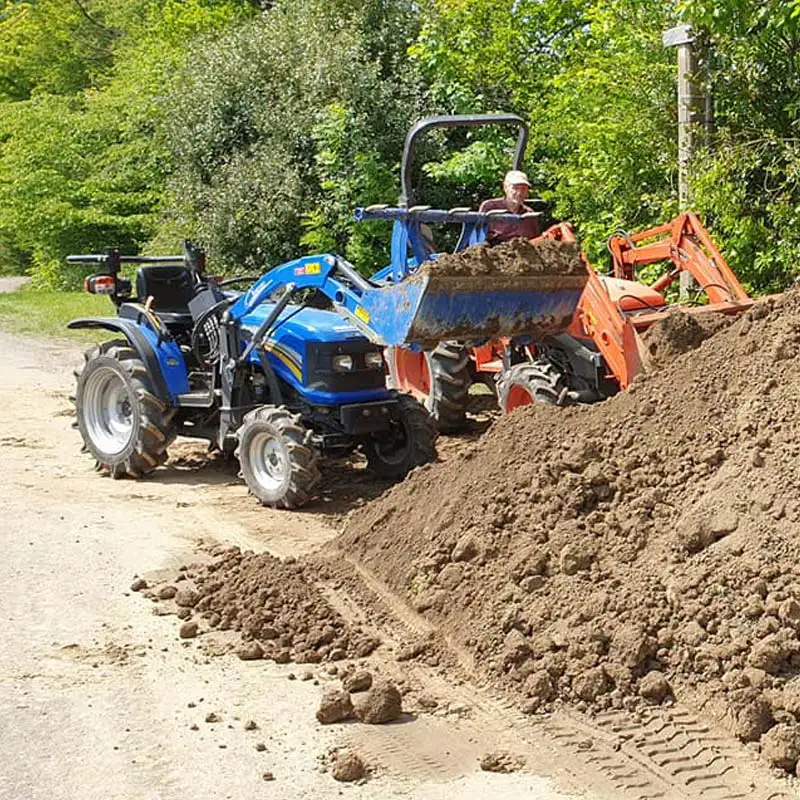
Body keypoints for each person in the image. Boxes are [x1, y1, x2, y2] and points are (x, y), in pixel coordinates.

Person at [478, 169, 541, 245]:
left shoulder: (530, 214)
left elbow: (536, 242)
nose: (519, 193)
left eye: (523, 189)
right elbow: (477, 238)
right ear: (505, 188)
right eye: (515, 188)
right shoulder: (490, 208)